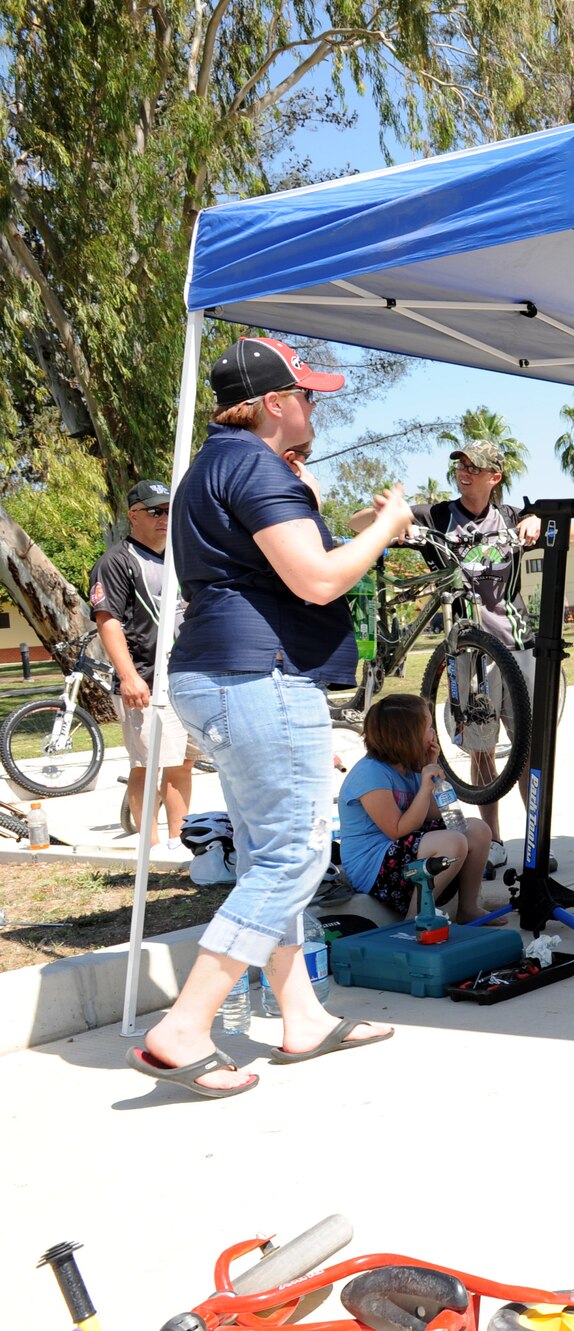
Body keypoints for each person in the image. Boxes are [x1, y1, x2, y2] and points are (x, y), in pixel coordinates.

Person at [129, 337, 412, 1098]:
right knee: (293, 857)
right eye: (308, 394)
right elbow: (319, 579)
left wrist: (350, 516)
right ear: (274, 404)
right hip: (263, 675)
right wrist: (386, 530)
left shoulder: (216, 466)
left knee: (265, 857)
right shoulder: (254, 465)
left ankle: (301, 1015)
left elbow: (291, 545)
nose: (316, 406)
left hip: (218, 674)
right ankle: (183, 1027)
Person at [351, 441, 541, 873]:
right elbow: (356, 521)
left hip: (515, 642)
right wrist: (386, 519)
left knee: (528, 752)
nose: (465, 472)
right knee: (481, 749)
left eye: (476, 467)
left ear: (495, 477)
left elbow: (543, 518)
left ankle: (536, 839)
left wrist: (534, 519)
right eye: (461, 465)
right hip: (464, 649)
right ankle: (492, 839)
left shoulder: (508, 517)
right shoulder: (437, 515)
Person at [89, 480, 200, 845]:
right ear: (132, 516)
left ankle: (179, 842)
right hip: (146, 680)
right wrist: (128, 676)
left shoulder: (179, 556)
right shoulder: (117, 561)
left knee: (182, 763)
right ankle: (149, 848)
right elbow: (108, 620)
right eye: (156, 511)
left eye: (170, 510)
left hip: (185, 676)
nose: (165, 518)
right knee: (147, 766)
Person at [337, 694, 492, 923]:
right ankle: (414, 919)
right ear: (406, 737)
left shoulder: (409, 767)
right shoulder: (369, 774)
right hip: (373, 868)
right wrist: (423, 787)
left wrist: (431, 769)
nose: (433, 734)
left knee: (478, 829)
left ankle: (468, 908)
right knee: (453, 841)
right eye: (428, 727)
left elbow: (437, 813)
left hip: (403, 851)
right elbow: (397, 830)